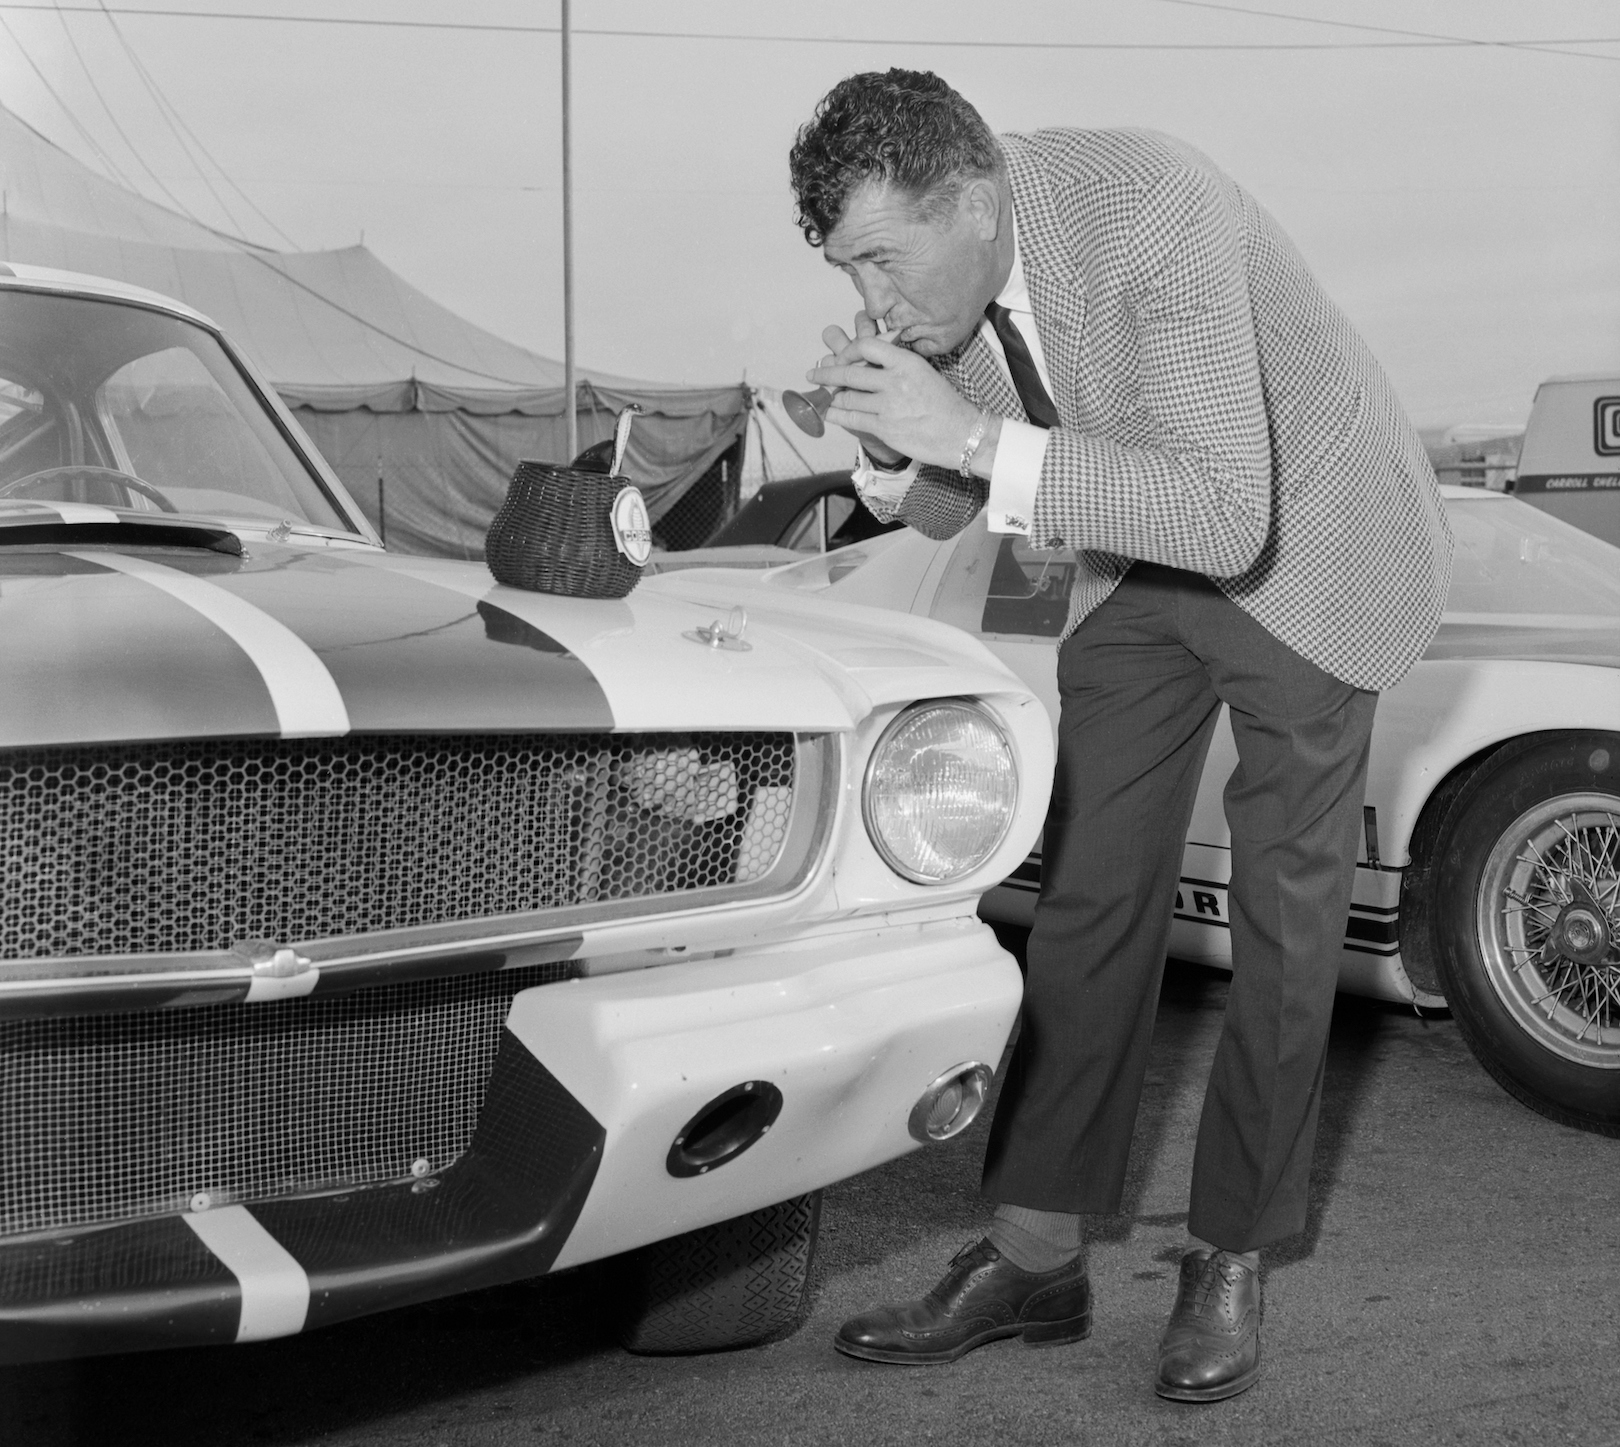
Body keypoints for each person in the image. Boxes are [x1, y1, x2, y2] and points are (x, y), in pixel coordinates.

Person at [788, 69, 1453, 1403]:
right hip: (1142, 559)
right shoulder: (957, 280)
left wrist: (965, 429)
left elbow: (1225, 514)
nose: (874, 299)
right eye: (846, 267)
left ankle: (1230, 1251)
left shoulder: (1154, 205)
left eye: (882, 259)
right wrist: (891, 448)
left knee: (1284, 917)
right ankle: (1036, 1255)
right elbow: (958, 502)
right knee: (1085, 893)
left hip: (1312, 547)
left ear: (974, 200)